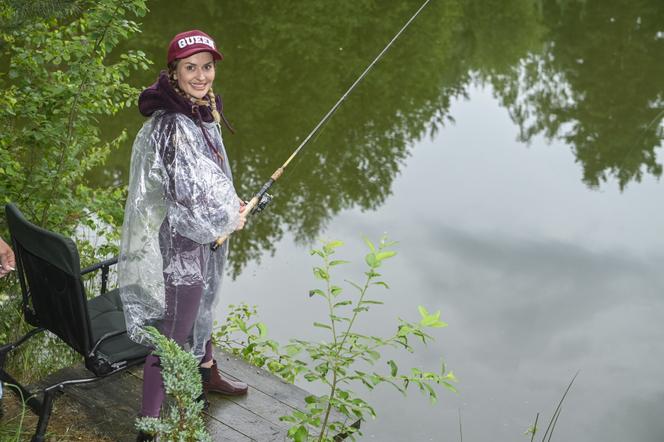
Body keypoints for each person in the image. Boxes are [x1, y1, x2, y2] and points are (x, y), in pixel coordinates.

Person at [118, 30, 248, 442]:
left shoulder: (200, 109)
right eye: (190, 67)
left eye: (207, 67)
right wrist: (229, 217)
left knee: (206, 302)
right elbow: (185, 195)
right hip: (183, 246)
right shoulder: (174, 124)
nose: (201, 75)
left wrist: (232, 202)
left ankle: (207, 371)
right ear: (173, 72)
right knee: (172, 335)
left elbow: (211, 177)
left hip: (205, 235)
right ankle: (149, 426)